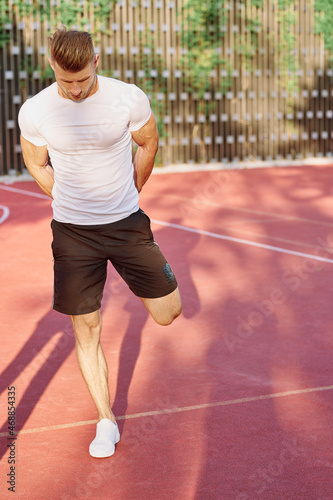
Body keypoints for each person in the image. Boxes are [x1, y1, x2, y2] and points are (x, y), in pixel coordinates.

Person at [18, 27, 182, 458]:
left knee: (169, 313)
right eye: (65, 80)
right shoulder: (36, 110)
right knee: (86, 329)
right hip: (72, 233)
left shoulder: (127, 97)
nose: (74, 89)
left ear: (97, 63)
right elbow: (35, 161)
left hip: (126, 223)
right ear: (52, 66)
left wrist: (133, 189)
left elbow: (148, 142)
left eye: (82, 80)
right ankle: (105, 420)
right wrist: (63, 197)